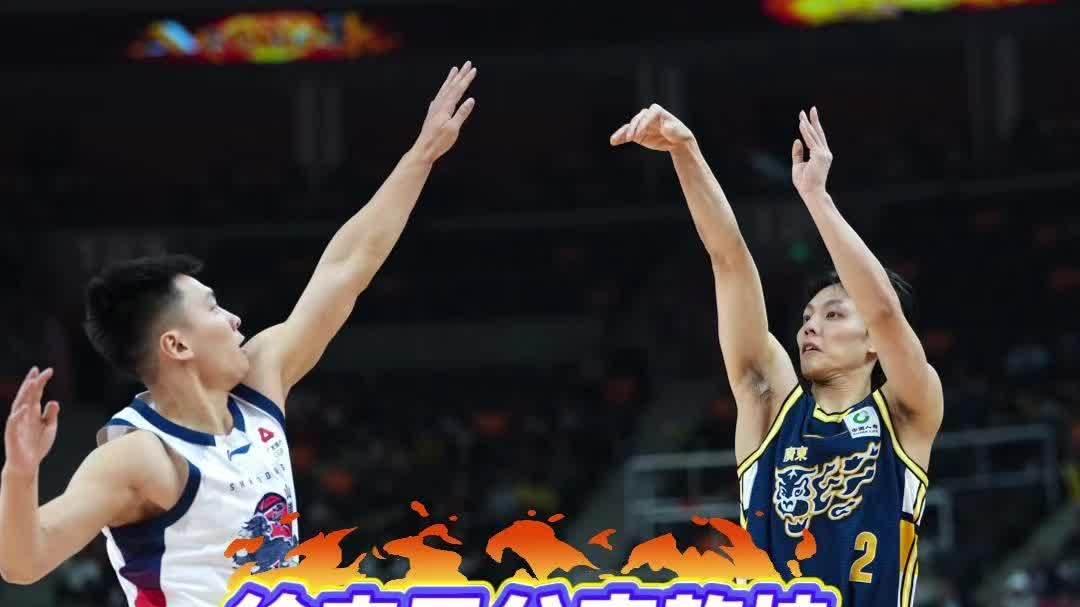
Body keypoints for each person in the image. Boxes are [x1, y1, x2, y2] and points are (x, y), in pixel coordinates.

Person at [0, 60, 478, 607]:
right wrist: (20, 473)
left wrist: (421, 156)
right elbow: (22, 564)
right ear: (177, 345)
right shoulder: (140, 458)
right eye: (212, 308)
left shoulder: (260, 382)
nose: (234, 320)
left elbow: (346, 267)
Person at [611, 105, 943, 606]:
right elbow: (728, 260)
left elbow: (884, 311)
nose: (810, 325)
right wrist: (686, 151)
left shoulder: (906, 412)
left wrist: (817, 199)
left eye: (834, 314)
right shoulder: (770, 409)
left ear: (872, 341)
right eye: (808, 316)